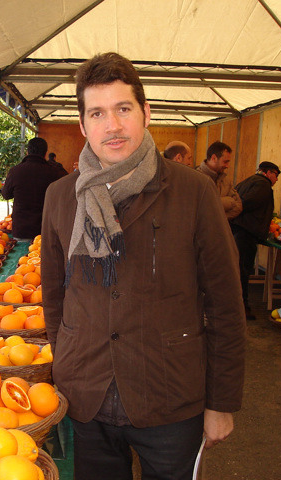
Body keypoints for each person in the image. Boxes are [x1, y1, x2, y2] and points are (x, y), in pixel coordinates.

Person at [41, 52, 246, 480]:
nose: (112, 125)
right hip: (86, 396)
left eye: (123, 109)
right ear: (83, 125)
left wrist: (221, 402)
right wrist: (67, 363)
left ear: (146, 113)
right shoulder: (60, 196)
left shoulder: (193, 191)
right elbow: (55, 294)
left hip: (170, 396)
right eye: (97, 113)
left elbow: (225, 303)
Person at [230, 161, 281, 320]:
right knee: (243, 270)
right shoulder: (263, 185)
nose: (276, 180)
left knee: (239, 269)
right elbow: (245, 204)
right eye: (276, 175)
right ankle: (241, 308)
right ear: (269, 173)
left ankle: (236, 306)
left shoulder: (248, 180)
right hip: (246, 232)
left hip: (237, 229)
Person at [1, 137, 63, 241]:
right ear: (45, 153)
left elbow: (6, 194)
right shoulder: (54, 172)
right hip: (44, 230)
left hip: (21, 230)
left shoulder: (15, 171)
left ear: (27, 152)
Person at [195, 141, 242, 220]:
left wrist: (216, 219)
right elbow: (197, 209)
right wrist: (228, 202)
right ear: (214, 158)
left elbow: (238, 206)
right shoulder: (196, 178)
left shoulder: (226, 180)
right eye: (225, 162)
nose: (227, 166)